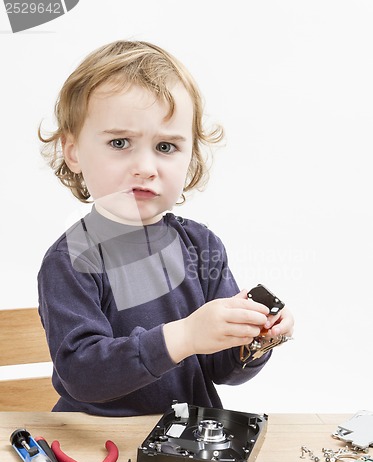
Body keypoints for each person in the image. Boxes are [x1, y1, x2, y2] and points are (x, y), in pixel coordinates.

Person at [38, 40, 294, 416]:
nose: (145, 166)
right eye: (120, 142)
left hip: (182, 440)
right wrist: (184, 335)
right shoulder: (71, 259)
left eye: (166, 147)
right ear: (73, 152)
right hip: (95, 441)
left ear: (191, 155)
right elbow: (82, 373)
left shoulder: (201, 245)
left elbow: (221, 369)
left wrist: (255, 339)